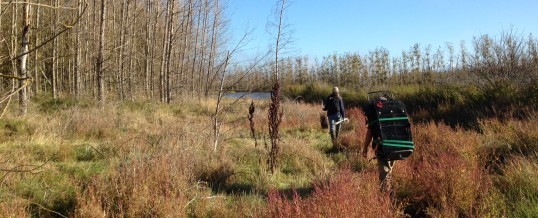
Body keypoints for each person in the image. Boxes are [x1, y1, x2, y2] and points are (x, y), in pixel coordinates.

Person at [362, 96, 395, 193]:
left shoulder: (375, 115)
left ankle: (386, 197)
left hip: (382, 147)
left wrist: (365, 148)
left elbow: (370, 133)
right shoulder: (393, 113)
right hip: (396, 146)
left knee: (384, 173)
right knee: (388, 169)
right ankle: (388, 189)